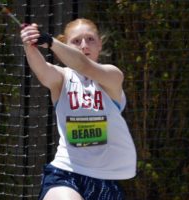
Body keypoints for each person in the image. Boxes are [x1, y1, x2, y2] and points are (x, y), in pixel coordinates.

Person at [20, 18, 137, 200]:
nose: (84, 45)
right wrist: (30, 45)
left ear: (100, 44)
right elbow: (42, 71)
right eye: (76, 41)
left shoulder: (112, 76)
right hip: (66, 174)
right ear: (65, 45)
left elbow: (84, 65)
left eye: (90, 39)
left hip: (105, 179)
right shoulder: (62, 78)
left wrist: (51, 42)